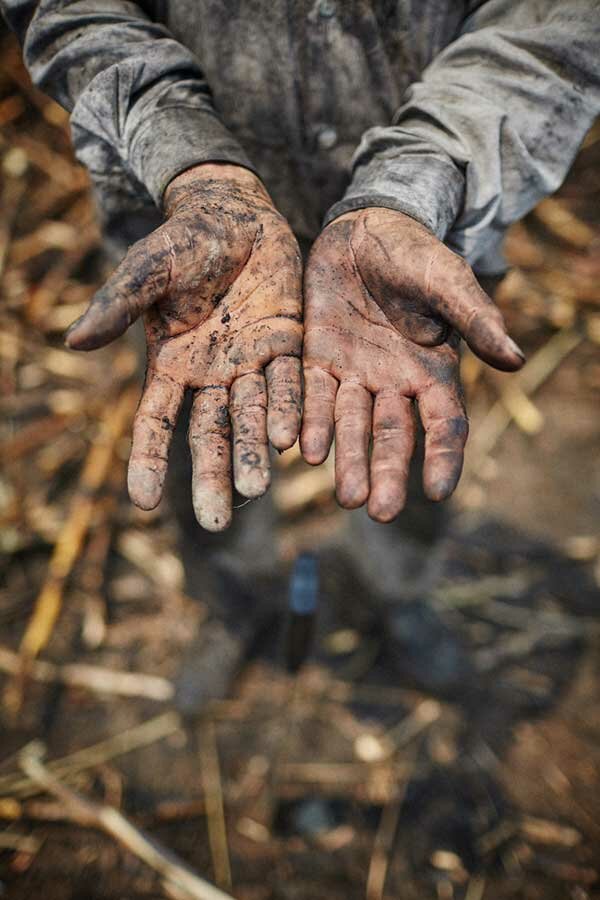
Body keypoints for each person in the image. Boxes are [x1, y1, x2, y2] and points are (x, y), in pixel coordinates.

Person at [2, 2, 600, 696]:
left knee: (400, 436)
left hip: (411, 257)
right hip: (204, 258)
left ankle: (394, 595)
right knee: (210, 441)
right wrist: (189, 158)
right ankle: (233, 603)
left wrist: (418, 183)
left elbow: (557, 24)